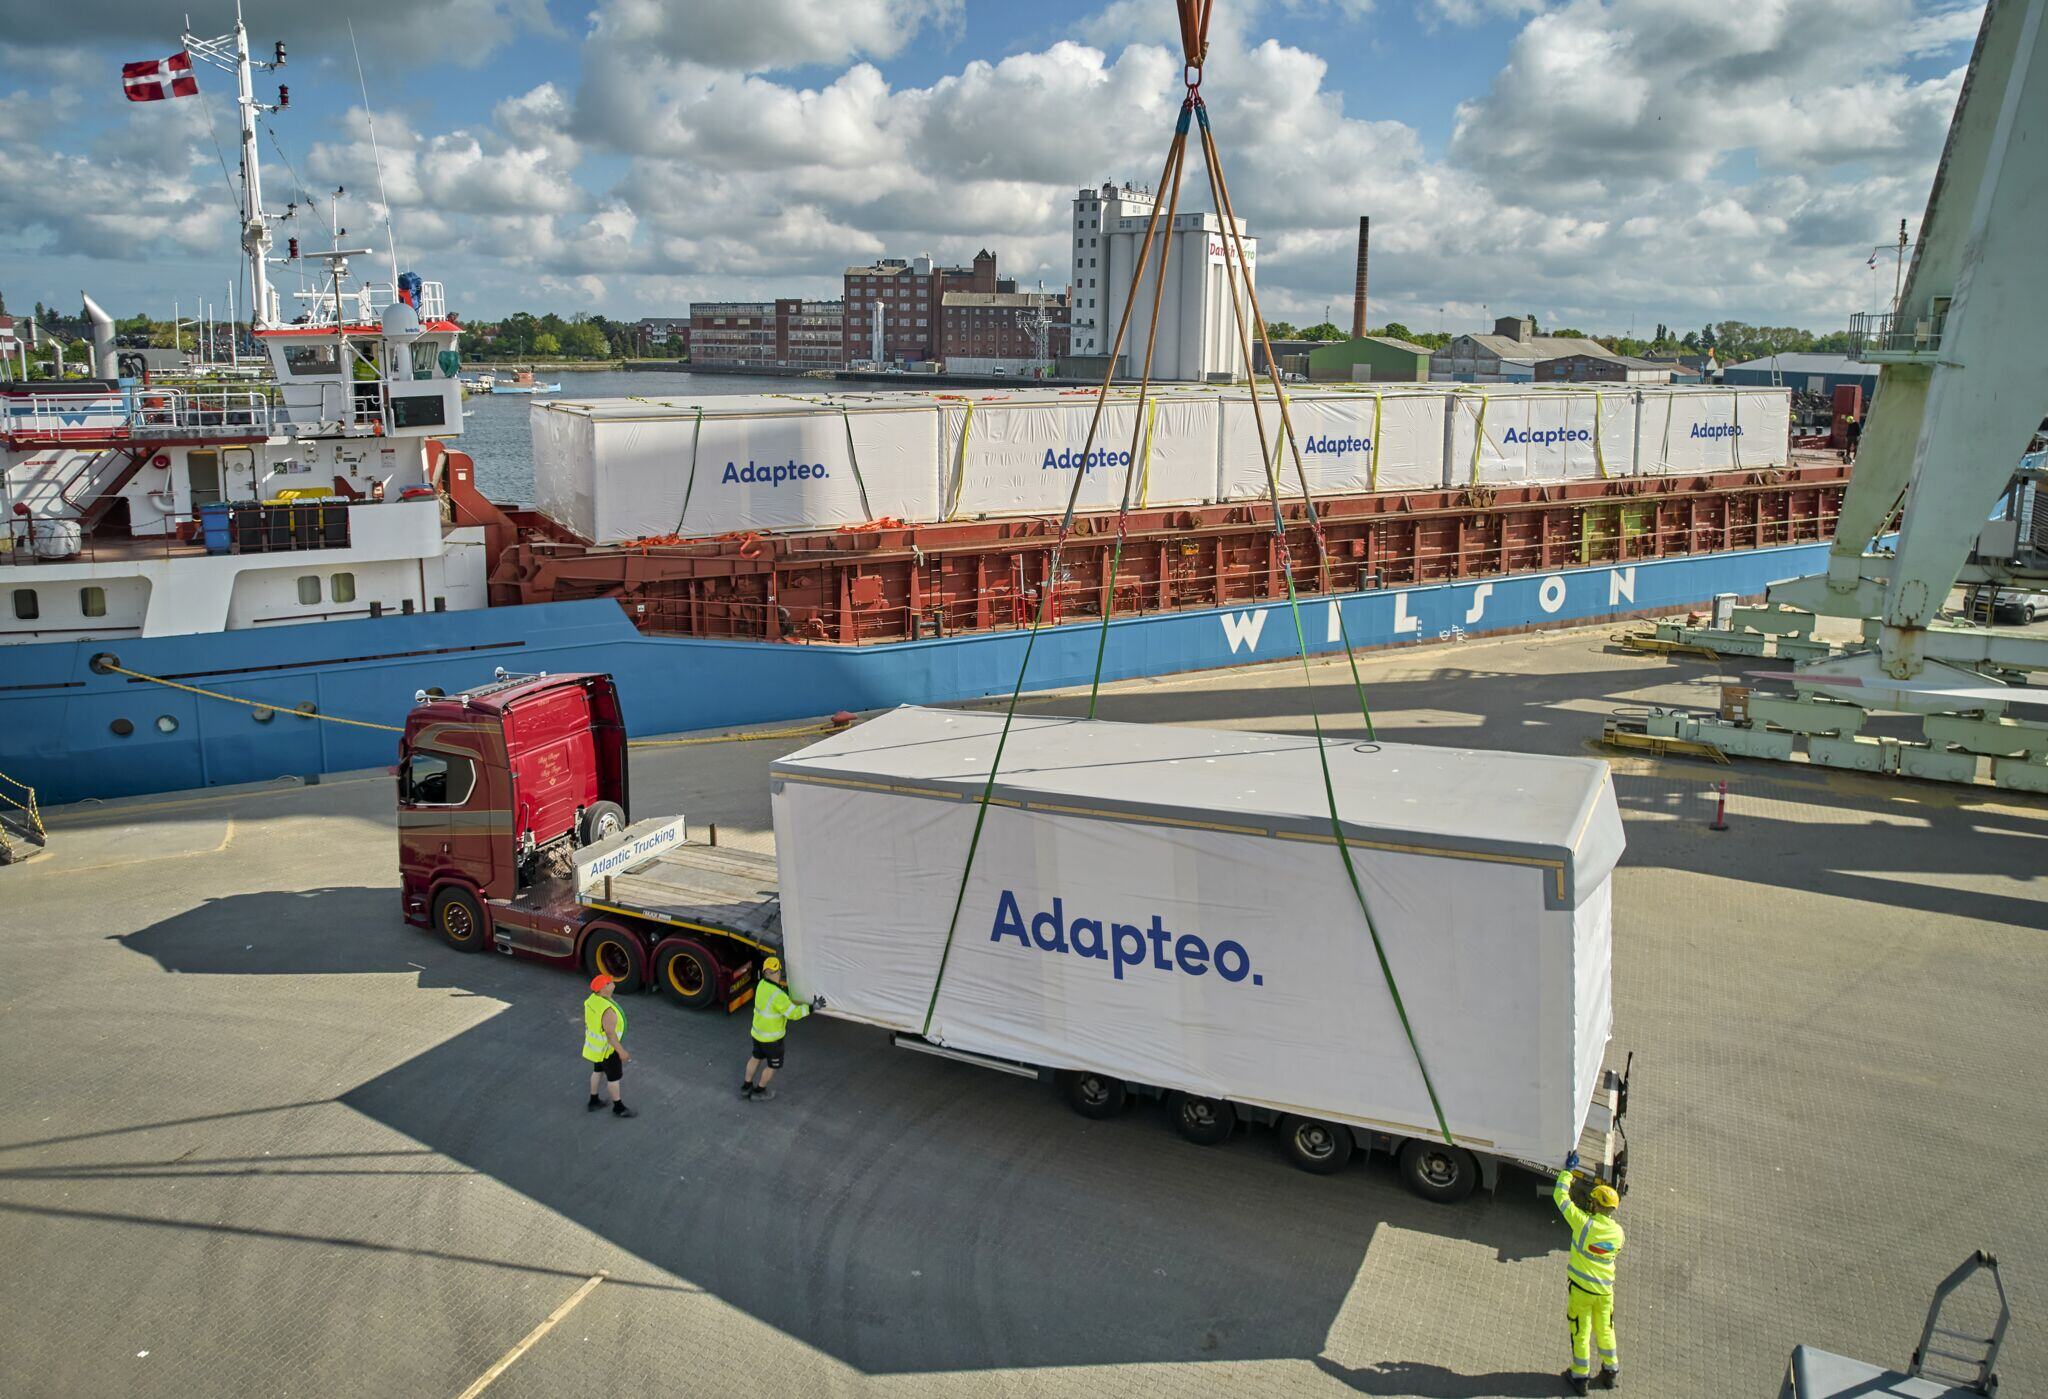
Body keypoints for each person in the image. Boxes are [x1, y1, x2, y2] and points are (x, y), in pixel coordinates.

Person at [1555, 1151, 1623, 1393]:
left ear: (1595, 1204)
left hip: (1582, 1292)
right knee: (1605, 1330)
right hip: (1605, 1293)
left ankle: (1579, 1376)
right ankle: (1611, 1372)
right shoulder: (1618, 1234)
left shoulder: (1583, 1224)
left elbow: (1560, 1197)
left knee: (1580, 1331)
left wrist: (1567, 1172)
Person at [741, 955, 824, 1102]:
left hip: (757, 1034)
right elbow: (793, 1013)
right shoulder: (778, 996)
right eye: (778, 971)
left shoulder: (761, 985)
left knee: (756, 1057)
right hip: (772, 1040)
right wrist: (812, 1007)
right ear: (777, 972)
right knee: (772, 1066)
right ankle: (759, 1091)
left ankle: (746, 1086)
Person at [582, 973, 636, 1119]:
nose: (613, 984)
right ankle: (618, 1108)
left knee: (597, 1071)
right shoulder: (608, 1011)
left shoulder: (592, 1000)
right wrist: (621, 1051)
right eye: (610, 983)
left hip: (597, 1048)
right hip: (608, 1050)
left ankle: (593, 1101)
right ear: (603, 988)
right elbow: (610, 1035)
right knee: (613, 1078)